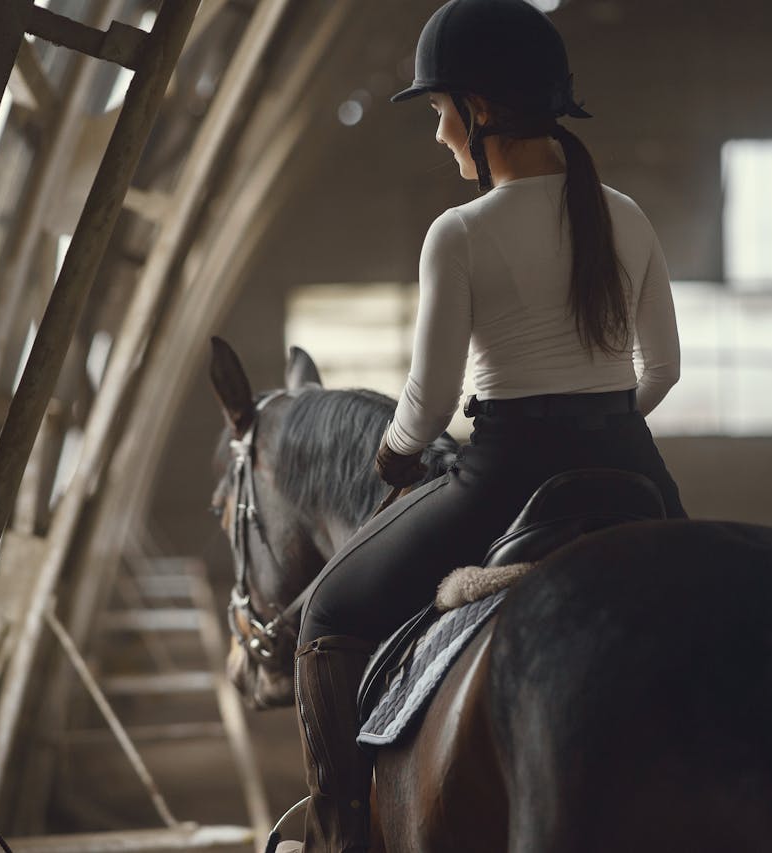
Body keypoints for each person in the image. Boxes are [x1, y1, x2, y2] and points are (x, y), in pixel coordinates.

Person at [284, 1, 686, 850]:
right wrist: (602, 420)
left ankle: (342, 828)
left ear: (482, 111)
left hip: (503, 471)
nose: (438, 136)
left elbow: (427, 406)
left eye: (440, 112)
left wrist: (395, 455)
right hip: (634, 464)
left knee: (325, 613)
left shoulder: (458, 233)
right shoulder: (630, 215)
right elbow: (665, 372)